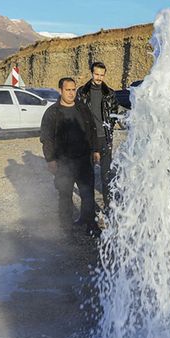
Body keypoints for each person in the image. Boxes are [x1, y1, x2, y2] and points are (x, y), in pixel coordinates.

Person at [40, 77, 101, 236]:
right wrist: (50, 160)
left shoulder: (82, 109)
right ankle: (66, 227)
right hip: (63, 162)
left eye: (73, 89)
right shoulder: (52, 113)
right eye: (68, 90)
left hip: (83, 161)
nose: (71, 93)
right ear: (60, 91)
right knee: (65, 196)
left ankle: (90, 224)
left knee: (87, 194)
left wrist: (95, 150)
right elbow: (47, 139)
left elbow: (92, 129)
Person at [76, 62, 120, 213]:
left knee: (106, 176)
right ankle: (87, 211)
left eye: (102, 74)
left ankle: (108, 208)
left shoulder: (110, 93)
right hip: (87, 140)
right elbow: (78, 114)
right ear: (91, 73)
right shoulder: (82, 92)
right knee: (88, 177)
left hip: (104, 139)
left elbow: (114, 113)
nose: (99, 77)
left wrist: (109, 129)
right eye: (97, 74)